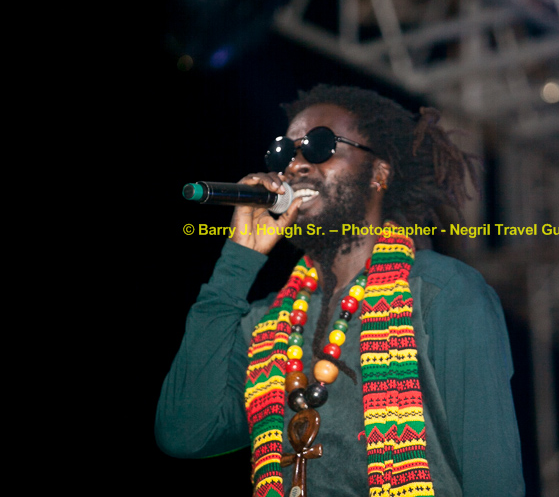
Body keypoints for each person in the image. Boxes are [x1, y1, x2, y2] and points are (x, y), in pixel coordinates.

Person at [156, 84, 525, 497]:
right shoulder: (265, 326)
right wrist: (238, 260)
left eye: (320, 146)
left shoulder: (442, 292)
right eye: (284, 153)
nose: (295, 166)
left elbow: (495, 481)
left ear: (379, 173)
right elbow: (185, 433)